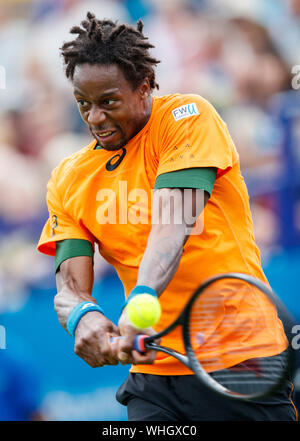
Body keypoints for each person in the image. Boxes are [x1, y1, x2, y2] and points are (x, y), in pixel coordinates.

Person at [37, 12, 298, 421]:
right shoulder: (68, 178)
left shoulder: (187, 118)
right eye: (83, 104)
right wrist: (82, 317)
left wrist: (142, 298)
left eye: (108, 102)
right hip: (153, 376)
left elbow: (172, 226)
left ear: (144, 87)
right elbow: (69, 286)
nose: (94, 118)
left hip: (243, 359)